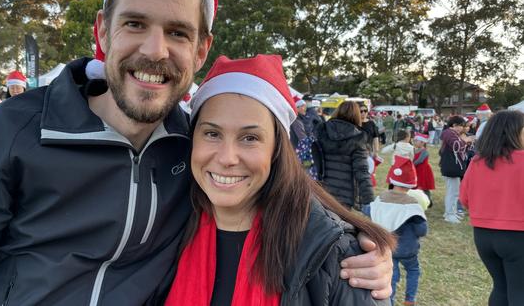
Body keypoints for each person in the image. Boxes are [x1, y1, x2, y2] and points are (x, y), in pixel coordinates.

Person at [0, 0, 392, 304]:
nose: (155, 50)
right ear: (103, 30)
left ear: (201, 50)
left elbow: (265, 174)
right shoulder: (14, 131)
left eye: (177, 31)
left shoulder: (194, 146)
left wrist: (360, 253)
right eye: (135, 23)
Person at [166, 54, 394, 305]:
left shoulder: (338, 257)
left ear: (277, 149)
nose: (227, 157)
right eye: (212, 133)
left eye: (250, 138)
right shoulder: (164, 226)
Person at [460, 110, 524, 306]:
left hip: (483, 236)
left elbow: (464, 199)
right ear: (515, 133)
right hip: (517, 236)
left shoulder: (478, 161)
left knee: (501, 287)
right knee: (519, 291)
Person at [365, 156, 427, 306]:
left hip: (387, 247)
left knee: (391, 275)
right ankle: (409, 299)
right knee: (413, 271)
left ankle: (389, 301)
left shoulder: (380, 199)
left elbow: (368, 212)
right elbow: (421, 230)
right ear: (410, 185)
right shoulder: (412, 204)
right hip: (408, 249)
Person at [315, 101, 374, 209]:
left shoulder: (322, 129)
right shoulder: (358, 137)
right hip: (344, 194)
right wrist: (369, 199)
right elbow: (361, 171)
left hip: (320, 188)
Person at [439, 115, 472, 224]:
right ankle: (449, 214)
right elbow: (456, 146)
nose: (462, 128)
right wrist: (466, 141)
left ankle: (450, 212)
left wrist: (466, 142)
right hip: (451, 166)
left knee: (453, 192)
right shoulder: (448, 133)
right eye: (461, 126)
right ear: (454, 125)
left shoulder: (451, 133)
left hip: (453, 166)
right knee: (453, 193)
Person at [413, 133, 435, 207]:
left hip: (423, 171)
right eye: (415, 141)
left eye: (417, 141)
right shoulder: (413, 150)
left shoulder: (424, 151)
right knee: (415, 186)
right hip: (416, 170)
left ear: (422, 142)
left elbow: (419, 161)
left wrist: (410, 164)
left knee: (424, 187)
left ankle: (428, 201)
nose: (415, 142)